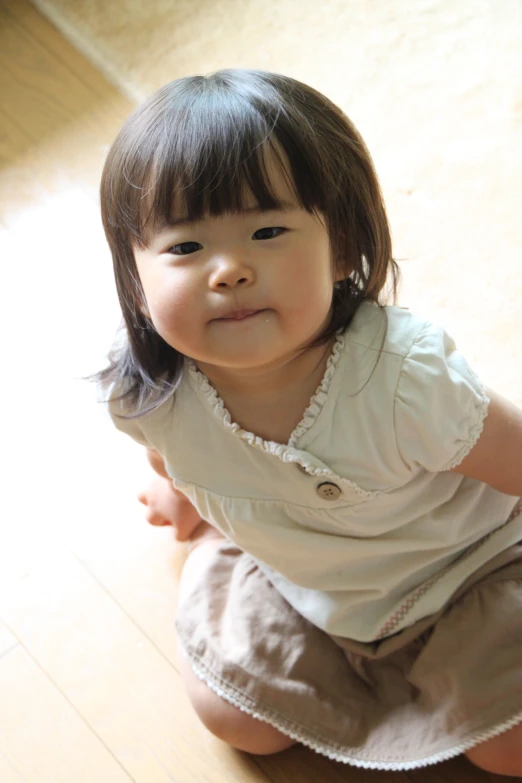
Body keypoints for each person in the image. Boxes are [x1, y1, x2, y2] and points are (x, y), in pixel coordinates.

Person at [93, 69, 522, 775]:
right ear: (135, 283)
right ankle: (212, 563)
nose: (228, 269)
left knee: (506, 746)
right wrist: (181, 491)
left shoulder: (403, 378)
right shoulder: (148, 391)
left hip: (467, 572)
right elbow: (169, 450)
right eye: (185, 247)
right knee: (241, 720)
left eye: (267, 230)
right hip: (305, 586)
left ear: (343, 247)